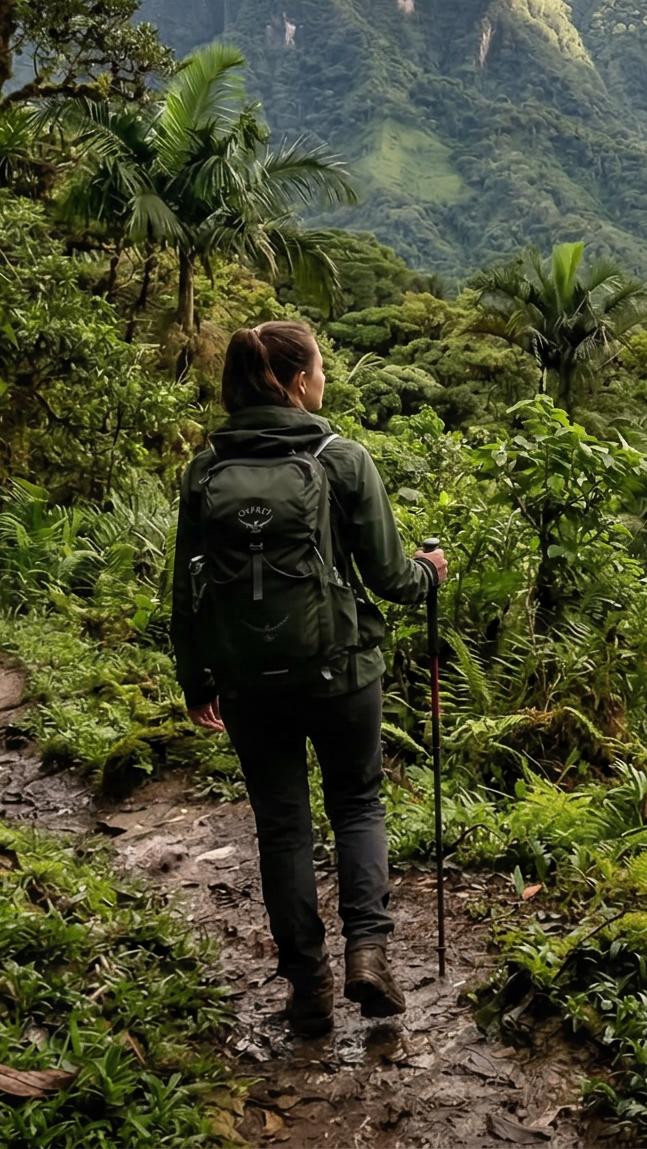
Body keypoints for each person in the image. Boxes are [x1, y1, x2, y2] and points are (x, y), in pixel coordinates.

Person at [170, 320, 447, 1035]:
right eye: (319, 369)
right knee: (357, 803)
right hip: (341, 671)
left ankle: (307, 987)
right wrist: (430, 573)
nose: (323, 380)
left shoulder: (203, 472)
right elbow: (390, 578)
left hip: (245, 680)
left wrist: (196, 679)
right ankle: (368, 953)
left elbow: (186, 588)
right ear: (297, 383)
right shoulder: (342, 459)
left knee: (283, 827)